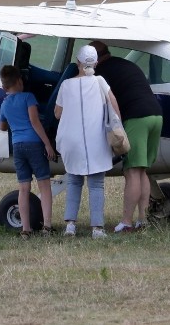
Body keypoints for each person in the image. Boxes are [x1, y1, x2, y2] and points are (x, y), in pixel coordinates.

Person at [90, 40, 164, 233]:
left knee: (131, 172)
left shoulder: (101, 74)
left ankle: (126, 222)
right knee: (142, 171)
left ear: (96, 59)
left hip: (137, 118)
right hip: (156, 115)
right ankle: (142, 219)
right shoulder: (126, 64)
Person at [54, 45, 119, 239]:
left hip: (71, 141)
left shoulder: (66, 85)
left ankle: (70, 226)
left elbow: (57, 113)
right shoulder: (100, 82)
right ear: (96, 63)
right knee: (96, 184)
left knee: (74, 181)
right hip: (95, 140)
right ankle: (97, 229)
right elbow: (113, 103)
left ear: (78, 62)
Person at [0, 64, 57, 239]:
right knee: (44, 185)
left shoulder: (5, 104)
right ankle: (46, 226)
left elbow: (2, 127)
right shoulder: (28, 98)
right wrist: (47, 144)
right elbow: (35, 122)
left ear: (4, 87)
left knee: (23, 188)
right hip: (33, 143)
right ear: (19, 81)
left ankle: (25, 229)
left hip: (17, 146)